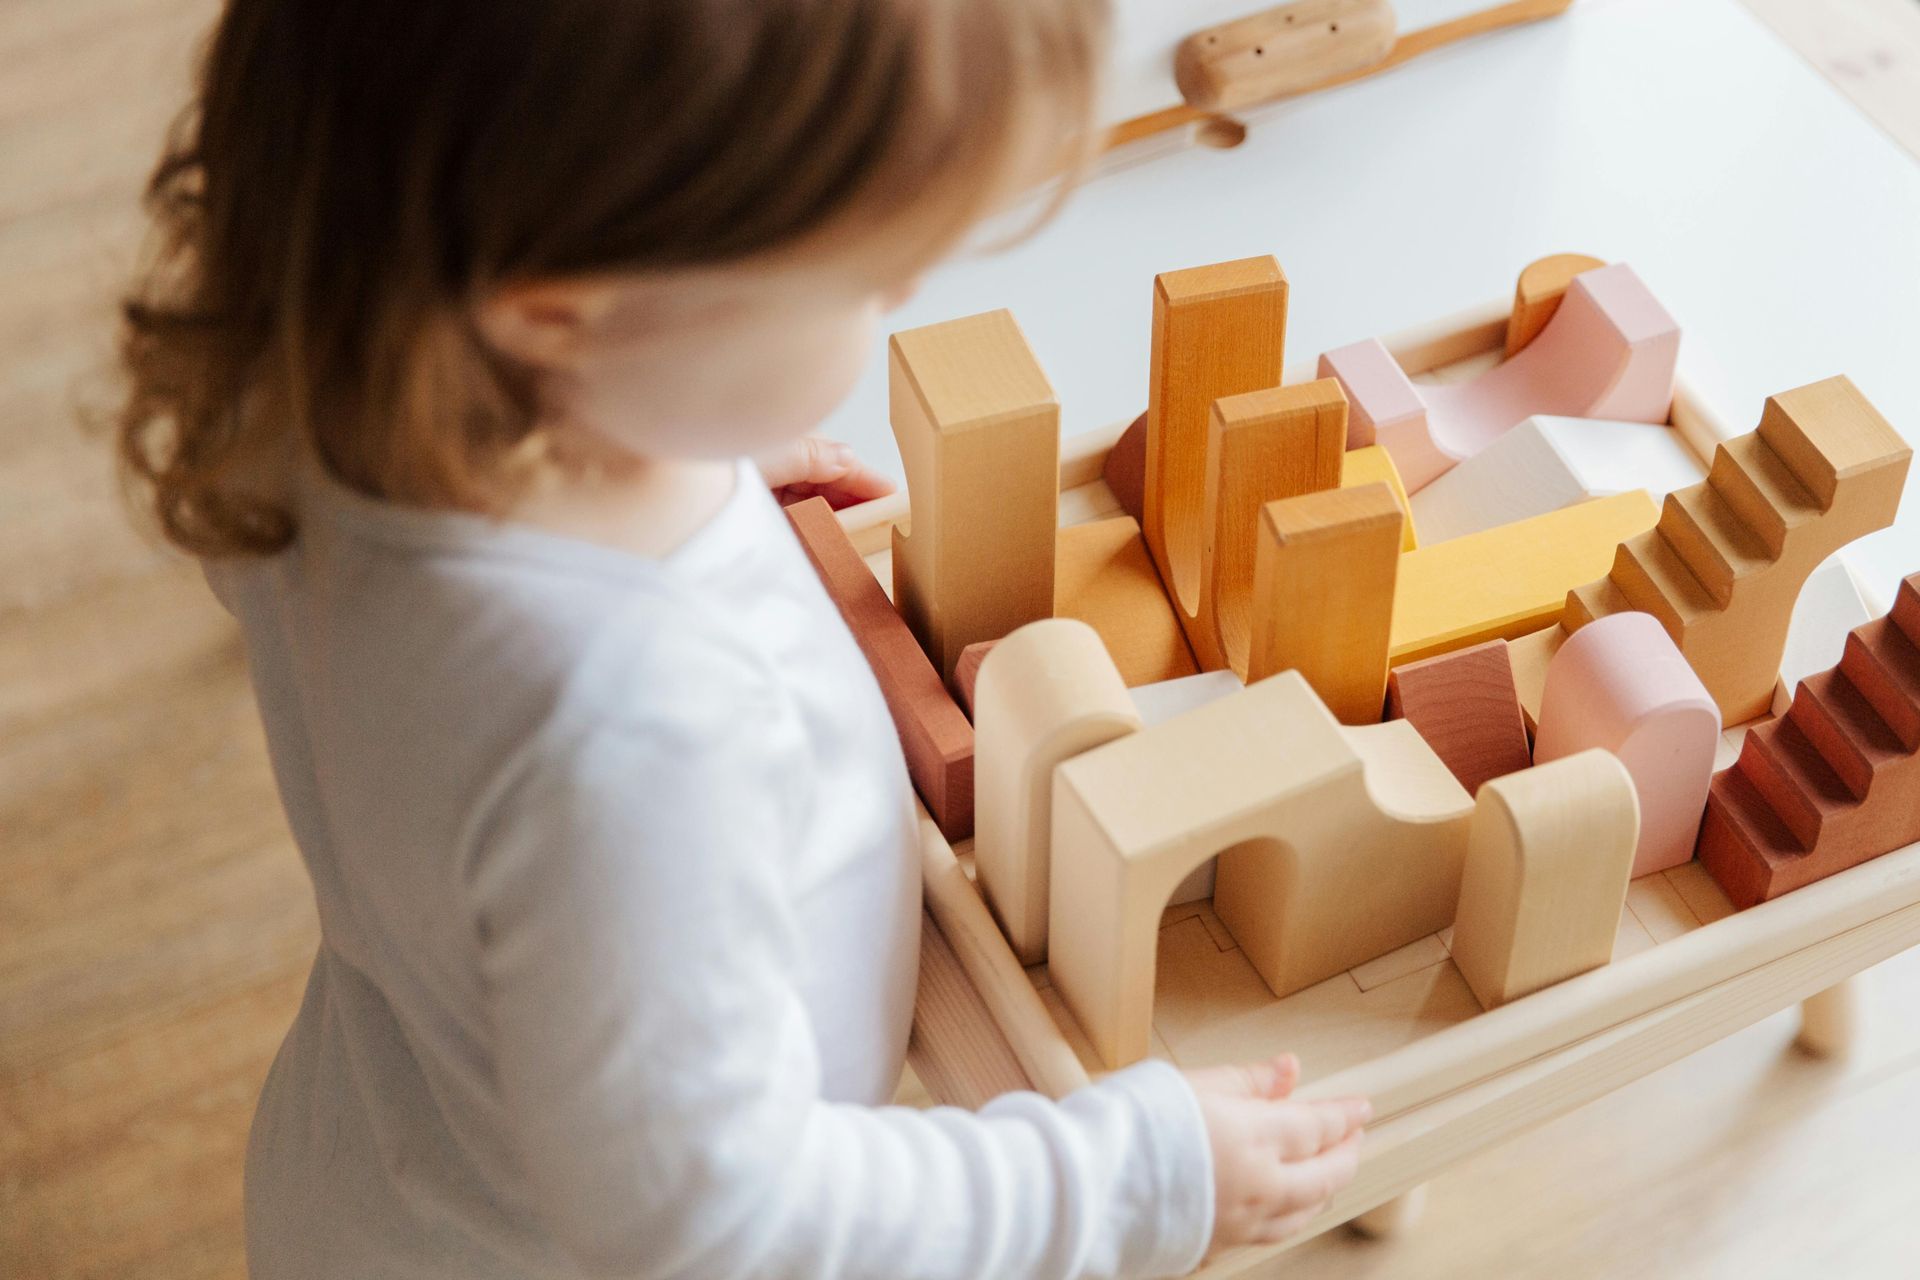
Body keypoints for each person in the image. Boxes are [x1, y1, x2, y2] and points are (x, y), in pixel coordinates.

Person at [114, 1, 1369, 1275]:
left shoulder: (334, 396)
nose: (911, 288)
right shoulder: (624, 727)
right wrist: (1127, 1181)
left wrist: (677, 442)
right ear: (561, 311)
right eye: (867, 274)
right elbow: (728, 1223)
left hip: (396, 1158)